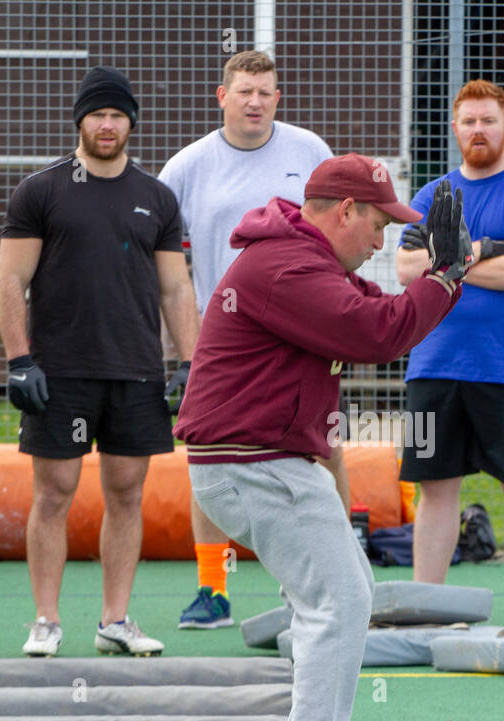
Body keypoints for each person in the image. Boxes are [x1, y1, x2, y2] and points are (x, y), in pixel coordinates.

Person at [174, 155, 471, 721]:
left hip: (265, 463)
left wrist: (446, 277)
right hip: (255, 465)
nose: (381, 241)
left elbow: (387, 313)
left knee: (340, 598)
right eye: (377, 224)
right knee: (339, 603)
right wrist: (448, 279)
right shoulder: (287, 266)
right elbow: (377, 335)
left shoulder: (302, 259)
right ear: (344, 211)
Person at [0, 66, 200, 657]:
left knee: (128, 492)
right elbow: (10, 279)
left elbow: (176, 290)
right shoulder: (41, 191)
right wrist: (18, 361)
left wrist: (189, 365)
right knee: (54, 490)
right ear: (79, 120)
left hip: (136, 370)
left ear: (131, 122)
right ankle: (45, 621)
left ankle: (115, 620)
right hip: (59, 369)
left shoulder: (156, 197)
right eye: (97, 114)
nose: (107, 125)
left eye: (117, 115)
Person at [158, 49, 345, 630]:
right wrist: (181, 344)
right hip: (224, 342)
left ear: (277, 98)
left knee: (322, 443)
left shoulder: (309, 152)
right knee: (210, 454)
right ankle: (213, 591)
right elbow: (162, 258)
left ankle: (332, 573)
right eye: (244, 91)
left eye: (266, 92)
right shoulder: (187, 167)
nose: (256, 102)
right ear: (222, 97)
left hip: (304, 332)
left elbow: (343, 227)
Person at [394, 79, 504, 633]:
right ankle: (426, 611)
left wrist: (450, 261)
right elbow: (403, 270)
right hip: (433, 363)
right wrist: (482, 253)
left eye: (489, 120)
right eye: (469, 121)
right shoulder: (431, 195)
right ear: (454, 129)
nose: (479, 130)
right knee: (435, 491)